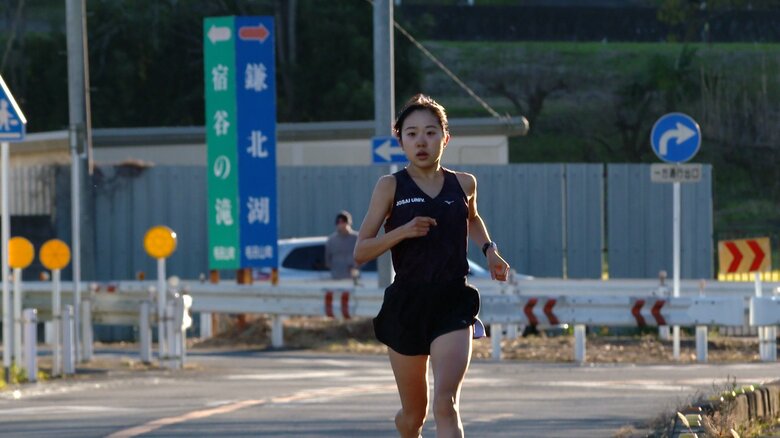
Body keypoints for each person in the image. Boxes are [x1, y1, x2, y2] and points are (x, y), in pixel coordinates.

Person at [353, 94, 510, 437]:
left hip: (453, 301)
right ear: (400, 141)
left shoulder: (464, 183)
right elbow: (361, 251)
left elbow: (472, 218)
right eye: (411, 134)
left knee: (445, 403)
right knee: (414, 416)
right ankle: (407, 425)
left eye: (429, 132)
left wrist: (490, 250)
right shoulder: (390, 187)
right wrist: (403, 232)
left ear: (445, 137)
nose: (421, 141)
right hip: (407, 304)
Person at [325, 210, 359, 279]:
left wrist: (355, 267)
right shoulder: (332, 240)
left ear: (349, 223)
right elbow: (327, 260)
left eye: (343, 222)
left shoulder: (357, 238)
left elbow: (365, 257)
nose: (341, 225)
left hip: (354, 278)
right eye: (338, 222)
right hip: (335, 278)